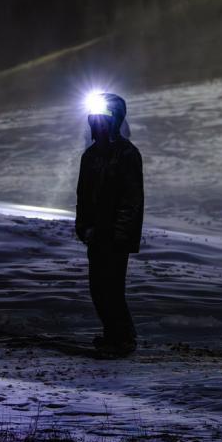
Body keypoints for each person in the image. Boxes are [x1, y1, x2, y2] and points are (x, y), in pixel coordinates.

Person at [74, 91, 144, 357]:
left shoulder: (127, 154)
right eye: (95, 116)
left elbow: (132, 198)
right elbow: (83, 195)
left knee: (112, 288)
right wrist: (83, 226)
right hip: (96, 233)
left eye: (104, 116)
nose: (98, 121)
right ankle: (112, 334)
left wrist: (121, 233)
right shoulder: (91, 155)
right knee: (98, 288)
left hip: (115, 235)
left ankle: (123, 337)